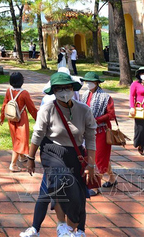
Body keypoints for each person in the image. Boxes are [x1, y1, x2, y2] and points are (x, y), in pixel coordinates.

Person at [22, 72, 96, 237]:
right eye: (59, 89)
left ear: (73, 89)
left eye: (67, 88)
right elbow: (37, 135)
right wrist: (31, 158)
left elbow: (91, 139)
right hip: (51, 151)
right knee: (61, 181)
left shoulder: (84, 110)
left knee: (77, 195)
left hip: (75, 154)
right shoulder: (47, 109)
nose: (64, 92)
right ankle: (60, 226)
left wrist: (91, 165)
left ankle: (71, 228)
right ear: (53, 91)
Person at [80, 72, 118, 194]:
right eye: (86, 81)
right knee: (101, 157)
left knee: (99, 158)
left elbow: (111, 114)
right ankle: (112, 178)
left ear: (96, 83)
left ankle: (95, 187)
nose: (88, 84)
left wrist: (96, 119)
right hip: (88, 130)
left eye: (90, 81)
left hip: (101, 130)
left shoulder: (105, 97)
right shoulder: (85, 95)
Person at [0, 72, 38, 172]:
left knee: (16, 139)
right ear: (22, 81)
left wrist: (2, 117)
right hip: (21, 119)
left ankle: (21, 157)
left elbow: (4, 104)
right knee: (20, 141)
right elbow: (32, 108)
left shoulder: (9, 91)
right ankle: (13, 164)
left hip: (11, 118)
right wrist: (38, 119)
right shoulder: (24, 93)